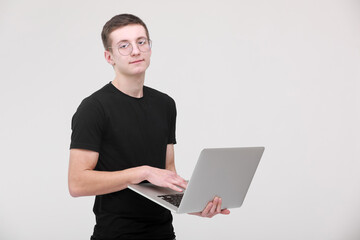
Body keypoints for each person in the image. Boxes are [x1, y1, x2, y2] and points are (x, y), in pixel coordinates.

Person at [68, 13, 230, 240]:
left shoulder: (165, 104)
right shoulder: (94, 108)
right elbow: (77, 183)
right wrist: (142, 172)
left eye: (141, 42)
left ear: (150, 48)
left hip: (163, 233)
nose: (136, 51)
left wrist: (195, 205)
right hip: (116, 235)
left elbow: (167, 173)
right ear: (109, 56)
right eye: (124, 45)